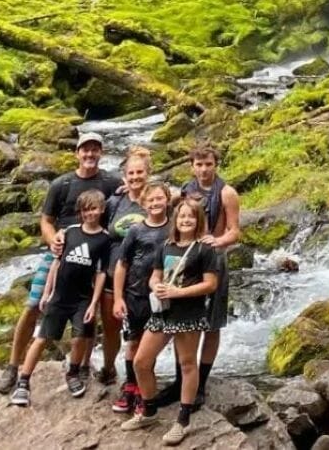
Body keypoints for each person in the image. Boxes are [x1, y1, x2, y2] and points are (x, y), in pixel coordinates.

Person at [0, 131, 121, 395]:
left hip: (94, 255)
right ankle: (13, 367)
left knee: (89, 311)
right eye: (85, 150)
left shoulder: (110, 183)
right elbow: (46, 220)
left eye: (95, 150)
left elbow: (133, 195)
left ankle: (83, 365)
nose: (90, 154)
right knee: (33, 305)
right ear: (77, 153)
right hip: (59, 255)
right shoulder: (61, 185)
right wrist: (53, 241)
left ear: (101, 153)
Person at [122, 198, 225, 445]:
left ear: (198, 220)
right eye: (182, 217)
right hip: (162, 312)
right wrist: (155, 286)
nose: (186, 220)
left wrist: (179, 292)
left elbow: (211, 284)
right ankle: (148, 410)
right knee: (141, 362)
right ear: (175, 220)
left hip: (189, 313)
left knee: (188, 364)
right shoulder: (166, 246)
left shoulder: (205, 249)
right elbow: (154, 276)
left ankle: (183, 419)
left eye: (191, 216)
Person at [9, 190, 114, 406]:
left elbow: (101, 273)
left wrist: (94, 303)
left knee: (79, 338)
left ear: (102, 209)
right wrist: (47, 293)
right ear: (80, 212)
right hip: (59, 296)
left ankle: (73, 373)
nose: (90, 214)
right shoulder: (69, 233)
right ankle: (23, 381)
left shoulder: (105, 239)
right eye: (85, 210)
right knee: (43, 338)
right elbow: (56, 263)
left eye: (94, 209)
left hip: (82, 298)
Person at [177, 145, 240, 397]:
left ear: (216, 165)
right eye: (199, 165)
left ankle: (201, 382)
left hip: (214, 259)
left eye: (208, 164)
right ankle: (182, 380)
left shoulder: (227, 193)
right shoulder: (185, 189)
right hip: (188, 259)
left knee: (212, 324)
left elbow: (235, 231)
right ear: (192, 166)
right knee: (183, 321)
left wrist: (218, 241)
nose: (203, 170)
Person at [111, 180, 173, 415]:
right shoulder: (136, 230)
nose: (156, 203)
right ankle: (130, 386)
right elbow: (122, 264)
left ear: (167, 201)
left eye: (160, 198)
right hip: (135, 295)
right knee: (133, 342)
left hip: (160, 298)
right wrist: (118, 298)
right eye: (151, 200)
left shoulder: (173, 229)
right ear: (143, 203)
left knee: (149, 347)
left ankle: (143, 391)